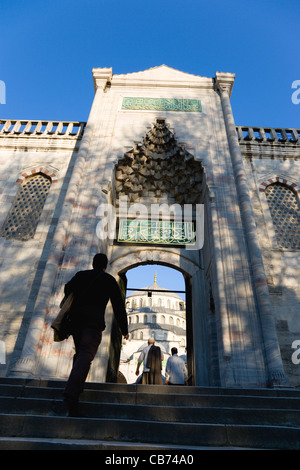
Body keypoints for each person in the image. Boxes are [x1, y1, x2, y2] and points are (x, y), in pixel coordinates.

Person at [51, 253, 129, 416]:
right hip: (92, 324)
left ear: (93, 263)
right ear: (105, 266)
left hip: (75, 323)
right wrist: (124, 329)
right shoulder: (108, 280)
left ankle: (74, 401)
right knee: (85, 356)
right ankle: (69, 396)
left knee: (80, 354)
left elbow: (67, 287)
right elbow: (118, 306)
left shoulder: (81, 275)